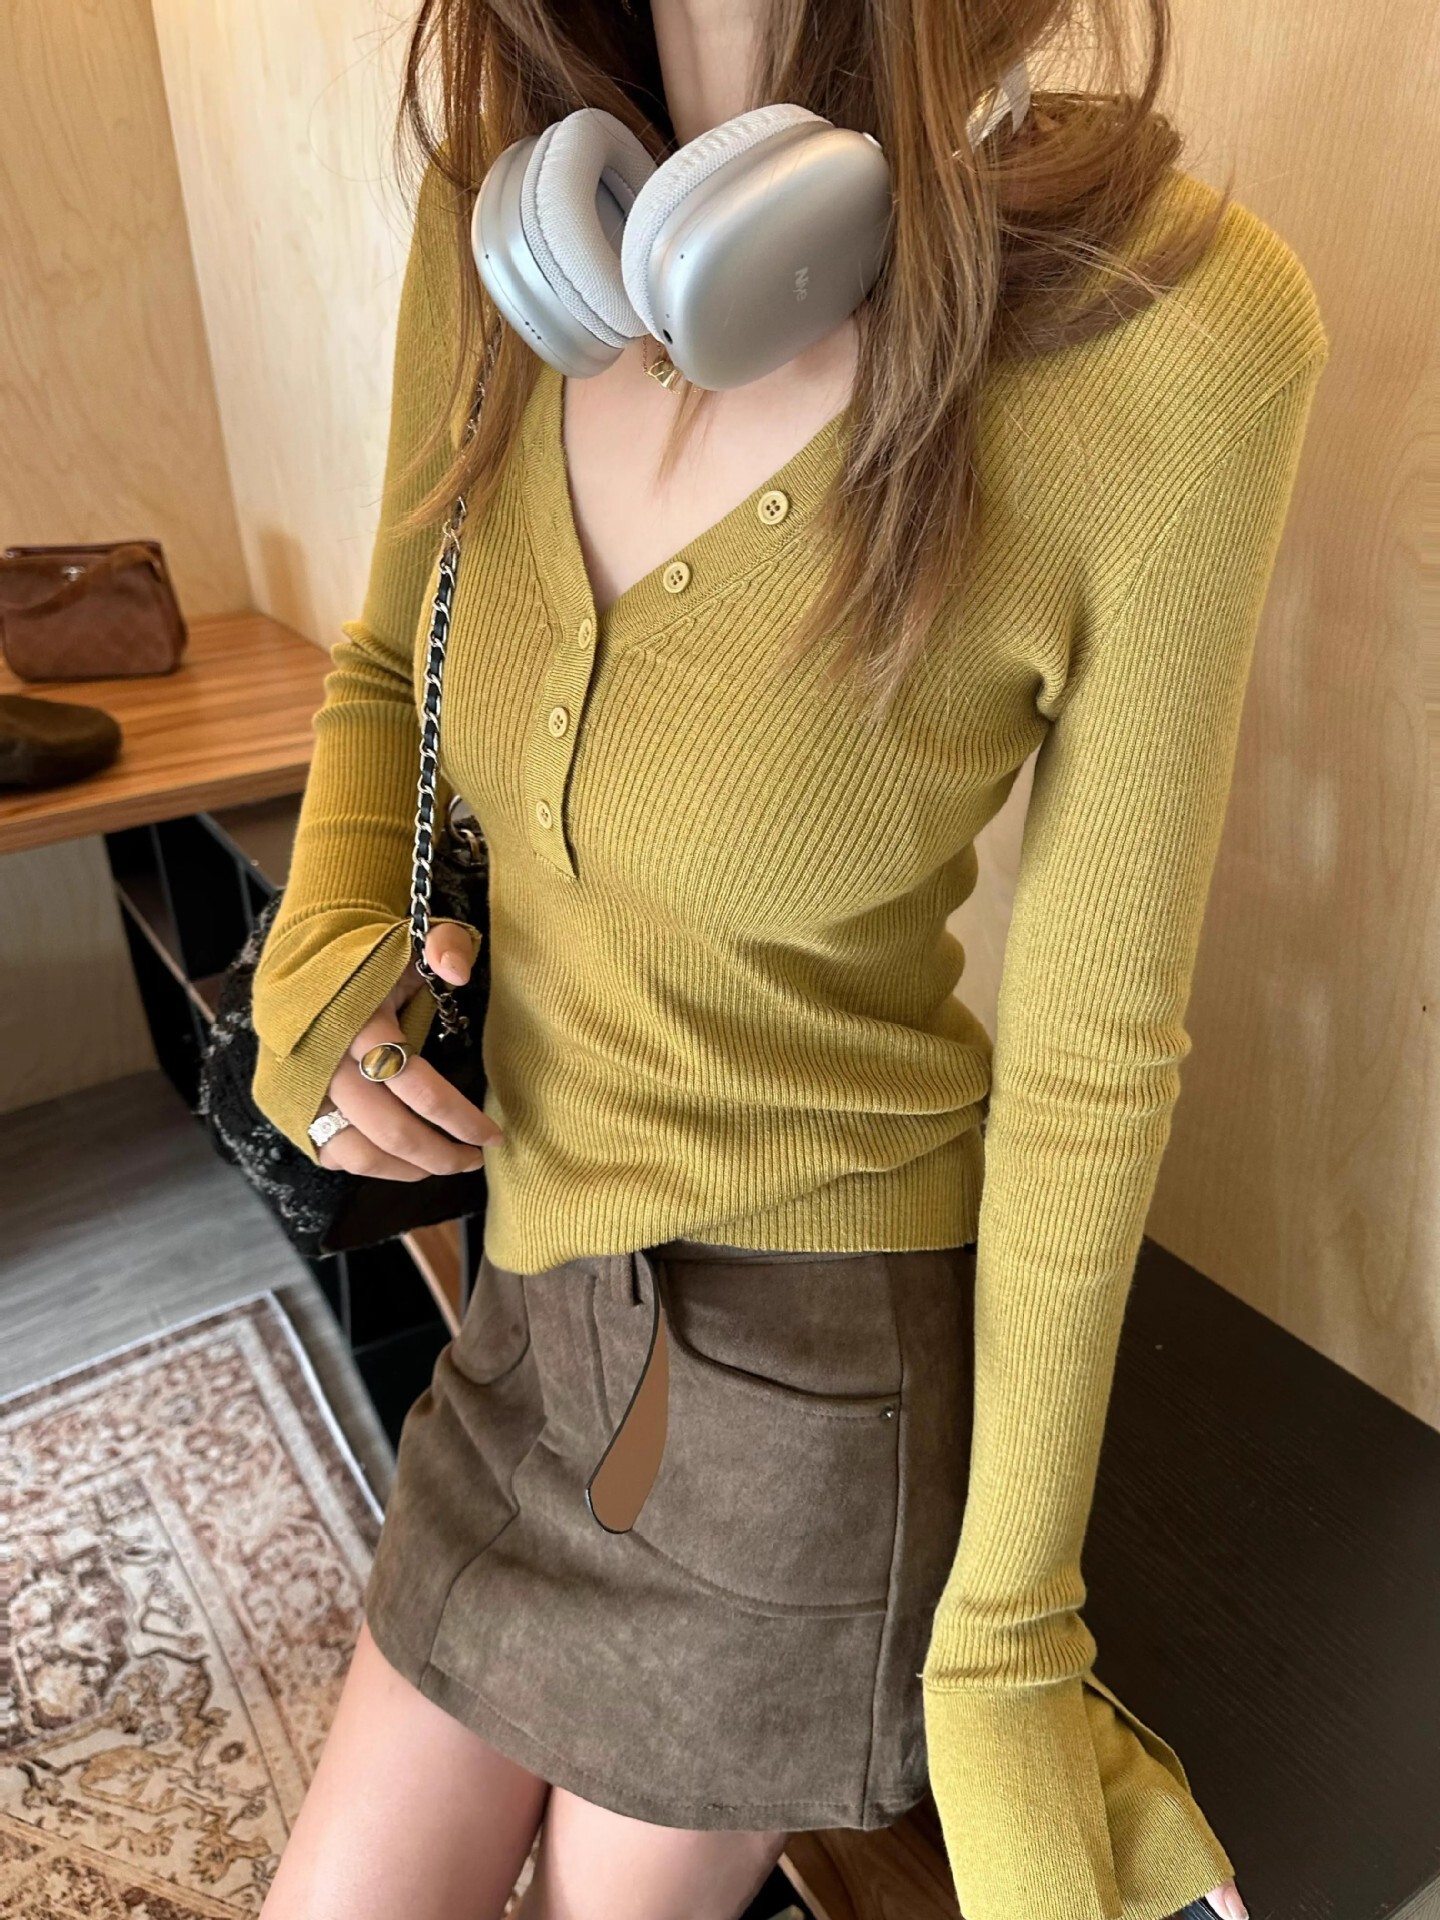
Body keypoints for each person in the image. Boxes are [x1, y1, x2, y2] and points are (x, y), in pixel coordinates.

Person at [250, 1, 1330, 1916]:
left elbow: (1091, 1059)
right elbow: (389, 661)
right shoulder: (503, 219)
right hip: (530, 1300)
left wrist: (1009, 1648)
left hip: (810, 1379)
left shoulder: (1167, 337)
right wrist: (318, 961)